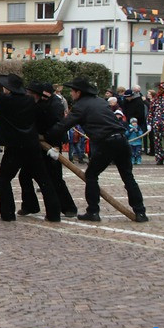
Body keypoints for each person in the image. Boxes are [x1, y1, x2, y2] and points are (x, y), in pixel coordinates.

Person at [50, 78, 148, 223]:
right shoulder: (101, 101)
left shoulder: (81, 106)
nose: (71, 94)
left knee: (91, 175)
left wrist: (46, 135)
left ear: (79, 92)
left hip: (106, 142)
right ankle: (140, 212)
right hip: (121, 140)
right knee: (128, 177)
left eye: (72, 91)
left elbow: (64, 125)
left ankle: (93, 211)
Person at [0, 74, 61, 223]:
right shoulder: (29, 100)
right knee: (44, 179)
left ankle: (7, 214)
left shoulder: (5, 101)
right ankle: (54, 213)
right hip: (32, 145)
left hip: (15, 147)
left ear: (8, 88)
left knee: (4, 178)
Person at [19, 82, 77, 218]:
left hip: (51, 145)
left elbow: (58, 126)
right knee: (25, 175)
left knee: (55, 178)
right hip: (36, 145)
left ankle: (69, 207)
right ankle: (30, 205)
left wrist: (53, 144)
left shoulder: (54, 105)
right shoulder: (37, 104)